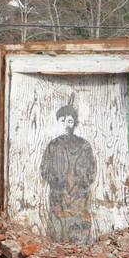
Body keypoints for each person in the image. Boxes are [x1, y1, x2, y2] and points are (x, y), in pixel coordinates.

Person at [40, 102, 97, 243]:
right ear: (58, 122)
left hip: (79, 195)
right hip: (58, 195)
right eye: (63, 120)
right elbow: (44, 169)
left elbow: (92, 170)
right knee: (58, 227)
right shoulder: (53, 146)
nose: (66, 124)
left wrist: (80, 184)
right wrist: (57, 183)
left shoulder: (84, 145)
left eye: (70, 121)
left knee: (79, 225)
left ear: (75, 123)